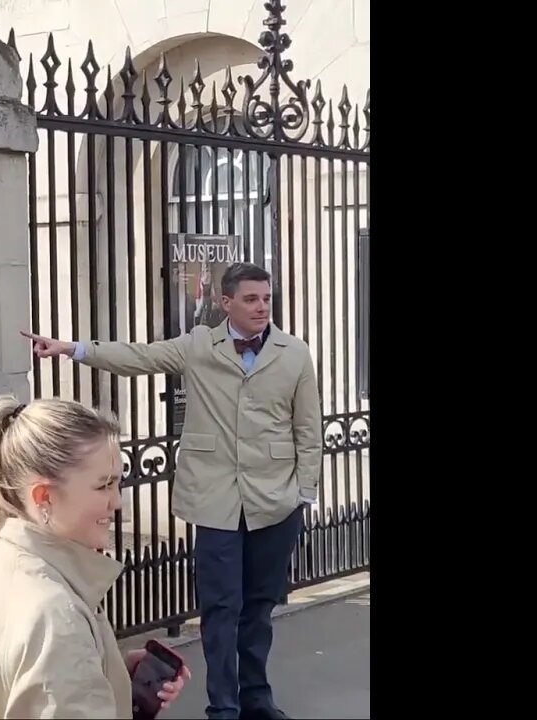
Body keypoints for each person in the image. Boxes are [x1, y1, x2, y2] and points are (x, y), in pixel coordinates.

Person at [21, 262, 322, 720]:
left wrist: (305, 492)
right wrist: (73, 349)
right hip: (216, 499)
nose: (262, 307)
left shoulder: (294, 352)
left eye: (266, 298)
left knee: (259, 608)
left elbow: (308, 427)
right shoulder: (200, 345)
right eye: (251, 299)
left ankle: (257, 698)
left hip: (275, 500)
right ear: (226, 303)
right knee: (221, 610)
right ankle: (224, 706)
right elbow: (140, 357)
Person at [0, 394, 192, 719]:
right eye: (104, 485)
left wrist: (112, 674)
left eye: (117, 483)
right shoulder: (56, 617)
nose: (116, 501)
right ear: (44, 496)